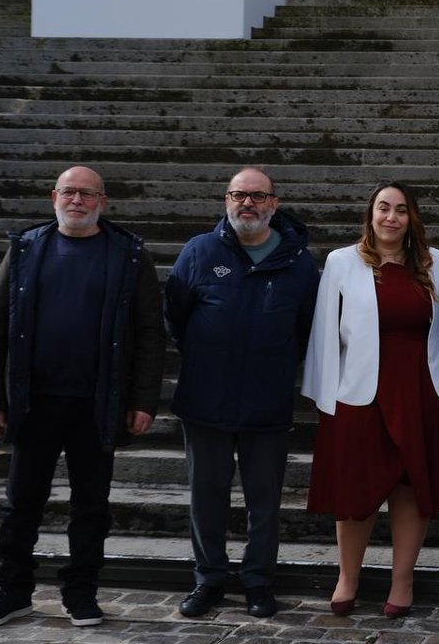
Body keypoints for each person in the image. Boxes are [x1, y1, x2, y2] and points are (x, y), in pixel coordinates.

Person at [0, 166, 164, 629]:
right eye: (69, 192)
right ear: (53, 197)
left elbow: (150, 333)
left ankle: (81, 594)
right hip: (32, 399)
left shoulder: (129, 254)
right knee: (21, 502)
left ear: (103, 201)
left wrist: (143, 399)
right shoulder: (25, 248)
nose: (77, 200)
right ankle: (12, 590)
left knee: (91, 505)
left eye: (87, 194)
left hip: (97, 403)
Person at [301, 182, 439, 619]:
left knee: (411, 487)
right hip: (358, 392)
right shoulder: (342, 261)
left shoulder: (434, 262)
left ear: (412, 217)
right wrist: (325, 398)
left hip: (421, 388)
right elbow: (323, 332)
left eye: (401, 210)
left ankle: (402, 581)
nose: (391, 217)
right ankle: (347, 577)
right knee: (355, 490)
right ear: (370, 214)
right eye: (383, 208)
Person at [164, 167, 319, 619]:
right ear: (226, 199)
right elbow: (175, 316)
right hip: (205, 398)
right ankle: (208, 579)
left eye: (256, 196)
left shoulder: (299, 263)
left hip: (266, 401)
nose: (246, 203)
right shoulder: (199, 251)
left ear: (273, 203)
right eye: (238, 195)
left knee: (264, 500)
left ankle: (257, 582)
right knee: (205, 495)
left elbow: (306, 330)